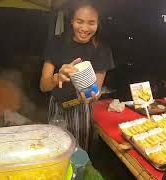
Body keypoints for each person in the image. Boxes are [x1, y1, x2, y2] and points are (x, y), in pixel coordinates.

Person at [40, 0, 114, 151]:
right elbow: (43, 86)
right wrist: (56, 78)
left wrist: (89, 96)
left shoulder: (102, 50)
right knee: (56, 151)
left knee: (79, 153)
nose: (85, 28)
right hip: (57, 107)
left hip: (82, 110)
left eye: (91, 23)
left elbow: (96, 91)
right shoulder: (56, 43)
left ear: (98, 23)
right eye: (80, 21)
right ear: (72, 21)